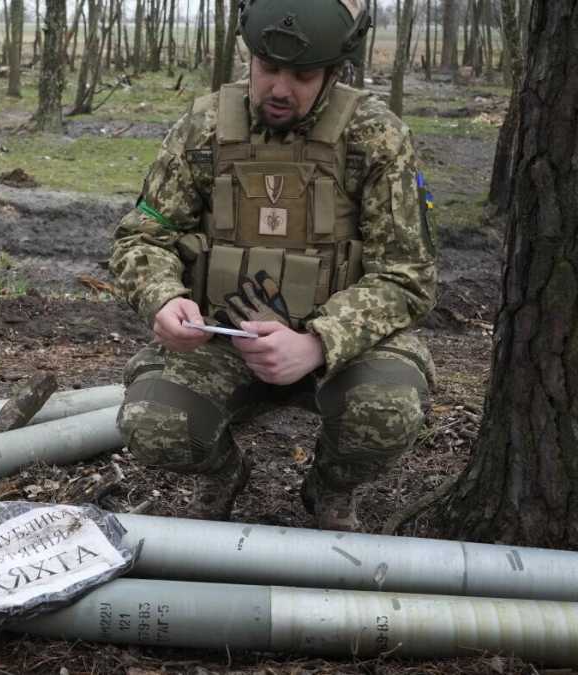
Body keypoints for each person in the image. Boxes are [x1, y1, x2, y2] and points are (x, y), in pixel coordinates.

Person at [110, 0, 437, 531]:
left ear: (334, 72)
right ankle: (223, 474)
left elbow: (409, 274)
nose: (280, 88)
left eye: (303, 75)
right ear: (251, 58)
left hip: (341, 349)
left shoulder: (376, 136)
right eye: (269, 69)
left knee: (385, 411)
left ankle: (329, 489)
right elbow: (142, 236)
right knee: (155, 425)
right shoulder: (206, 125)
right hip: (224, 339)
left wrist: (318, 342)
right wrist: (164, 296)